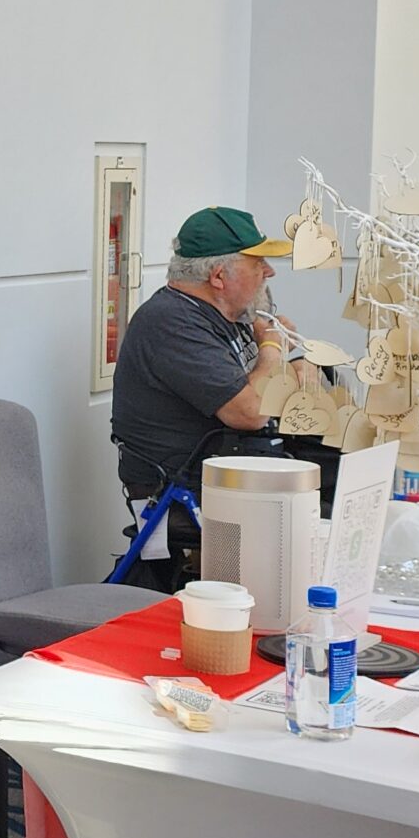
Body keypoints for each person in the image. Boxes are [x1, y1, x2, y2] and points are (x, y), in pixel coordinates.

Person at [111, 207, 323, 588]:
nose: (269, 273)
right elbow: (253, 410)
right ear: (219, 275)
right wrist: (273, 348)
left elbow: (290, 383)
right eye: (258, 263)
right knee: (324, 516)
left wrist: (287, 368)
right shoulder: (171, 322)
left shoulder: (229, 318)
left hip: (237, 479)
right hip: (187, 495)